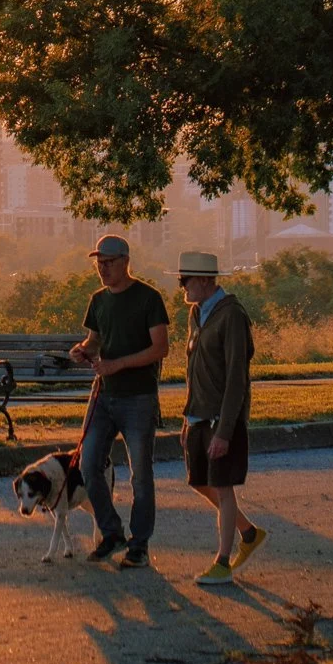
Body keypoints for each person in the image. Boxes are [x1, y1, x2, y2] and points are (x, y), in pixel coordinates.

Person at [69, 235, 169, 570]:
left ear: (125, 260)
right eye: (99, 263)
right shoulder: (98, 301)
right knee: (87, 464)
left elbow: (160, 348)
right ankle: (111, 532)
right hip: (104, 395)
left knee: (140, 473)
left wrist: (119, 364)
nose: (103, 268)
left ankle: (139, 545)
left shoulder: (148, 298)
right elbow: (95, 340)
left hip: (138, 397)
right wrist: (84, 350)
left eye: (109, 262)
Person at [177, 250, 263, 587]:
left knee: (223, 488)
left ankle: (223, 562)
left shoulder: (232, 316)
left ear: (203, 280)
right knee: (199, 481)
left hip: (221, 420)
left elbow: (236, 378)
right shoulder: (197, 314)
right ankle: (248, 532)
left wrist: (225, 431)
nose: (181, 286)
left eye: (185, 280)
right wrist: (187, 419)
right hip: (198, 416)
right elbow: (192, 371)